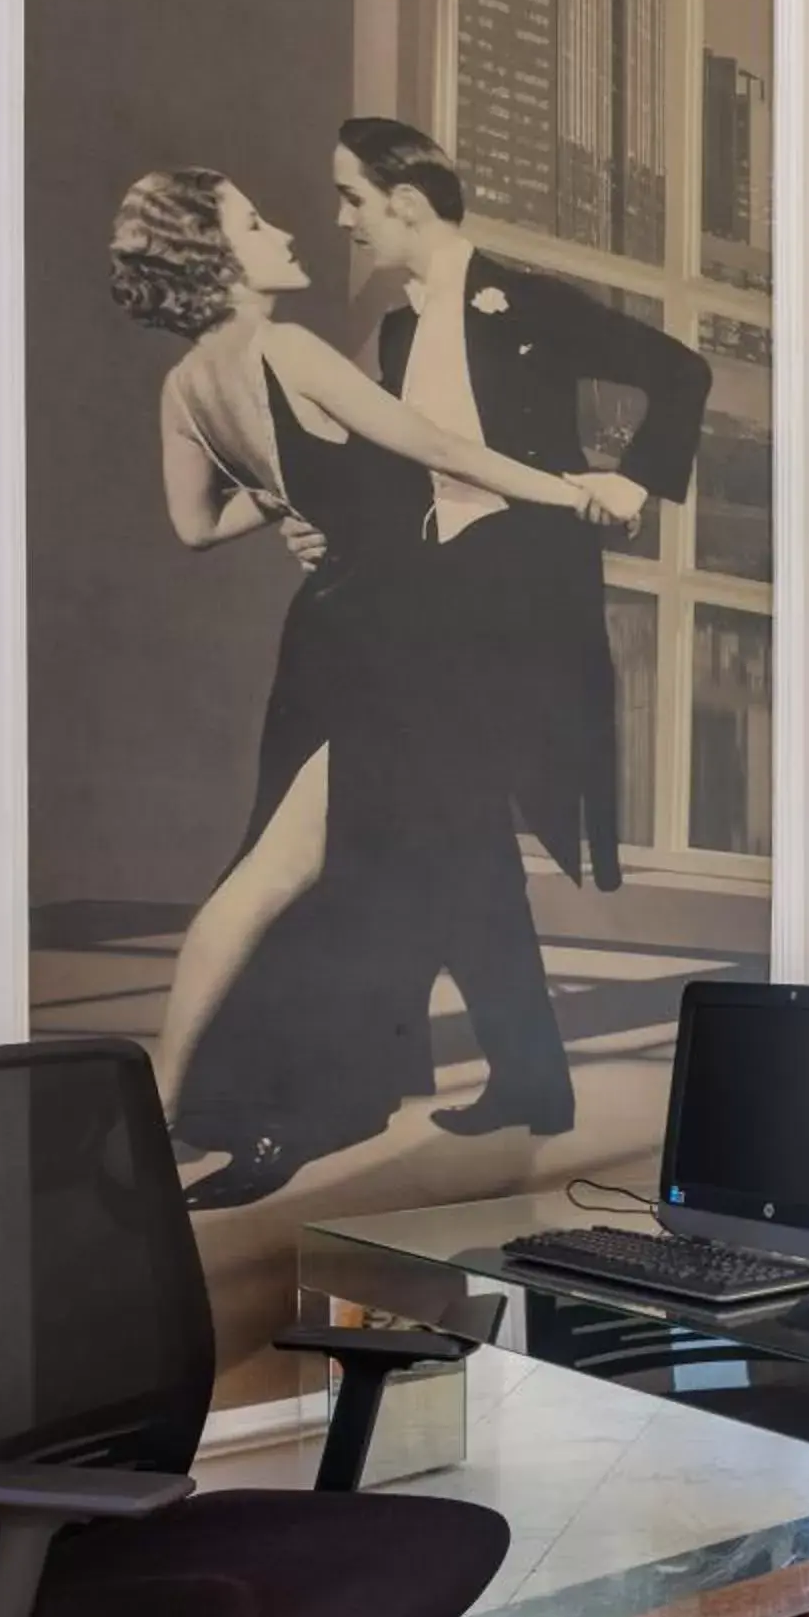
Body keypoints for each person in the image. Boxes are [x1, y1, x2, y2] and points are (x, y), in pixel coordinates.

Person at [109, 167, 624, 1207]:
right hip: (394, 645)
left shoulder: (186, 388)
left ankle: (197, 1112)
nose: (286, 227)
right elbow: (434, 446)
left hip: (332, 635)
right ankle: (221, 1114)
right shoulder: (287, 347)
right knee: (295, 877)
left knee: (318, 868)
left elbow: (195, 526)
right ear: (214, 254)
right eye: (255, 220)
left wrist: (290, 503)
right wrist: (571, 494)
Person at [324, 115, 715, 1138]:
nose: (343, 220)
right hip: (426, 605)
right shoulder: (401, 332)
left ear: (406, 204)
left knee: (443, 822)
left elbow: (682, 372)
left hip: (519, 604)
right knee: (440, 828)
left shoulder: (526, 302)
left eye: (353, 199)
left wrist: (632, 480)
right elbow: (405, 464)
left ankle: (420, 1071)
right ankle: (511, 1076)